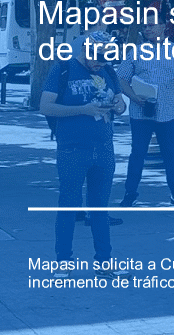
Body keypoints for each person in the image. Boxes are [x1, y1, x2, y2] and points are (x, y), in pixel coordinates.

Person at [39, 31, 129, 278]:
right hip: (72, 149)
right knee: (69, 205)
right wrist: (83, 109)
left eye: (105, 59)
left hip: (104, 148)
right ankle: (63, 262)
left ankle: (104, 262)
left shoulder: (108, 72)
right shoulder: (64, 69)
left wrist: (119, 107)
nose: (99, 63)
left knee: (100, 208)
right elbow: (45, 106)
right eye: (96, 58)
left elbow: (120, 103)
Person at [117, 17, 174, 208]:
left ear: (163, 27)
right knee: (137, 153)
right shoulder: (135, 52)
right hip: (141, 110)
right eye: (145, 26)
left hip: (169, 111)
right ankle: (130, 194)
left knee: (170, 153)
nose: (147, 29)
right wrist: (134, 97)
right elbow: (121, 78)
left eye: (151, 25)